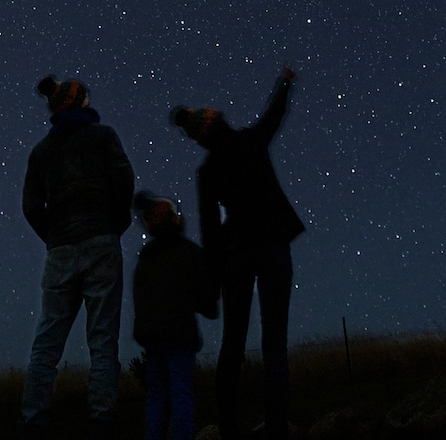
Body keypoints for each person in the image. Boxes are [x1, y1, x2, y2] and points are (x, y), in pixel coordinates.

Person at [170, 65, 305, 440]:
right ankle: (277, 426)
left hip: (236, 256)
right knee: (274, 341)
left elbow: (211, 232)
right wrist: (283, 83)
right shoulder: (249, 142)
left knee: (233, 342)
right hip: (273, 245)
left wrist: (213, 282)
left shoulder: (209, 170)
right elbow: (274, 116)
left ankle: (229, 428)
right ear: (211, 124)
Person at [20, 75, 135, 440]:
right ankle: (102, 422)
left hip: (61, 249)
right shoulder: (103, 135)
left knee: (47, 341)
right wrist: (114, 224)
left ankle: (33, 423)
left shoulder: (42, 151)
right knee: (102, 339)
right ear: (80, 101)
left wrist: (54, 237)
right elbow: (124, 180)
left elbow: (31, 206)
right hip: (101, 241)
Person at [131, 190, 219, 440]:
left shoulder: (146, 258)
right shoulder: (190, 253)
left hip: (153, 339)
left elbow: (141, 301)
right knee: (180, 394)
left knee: (157, 397)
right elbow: (207, 302)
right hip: (180, 338)